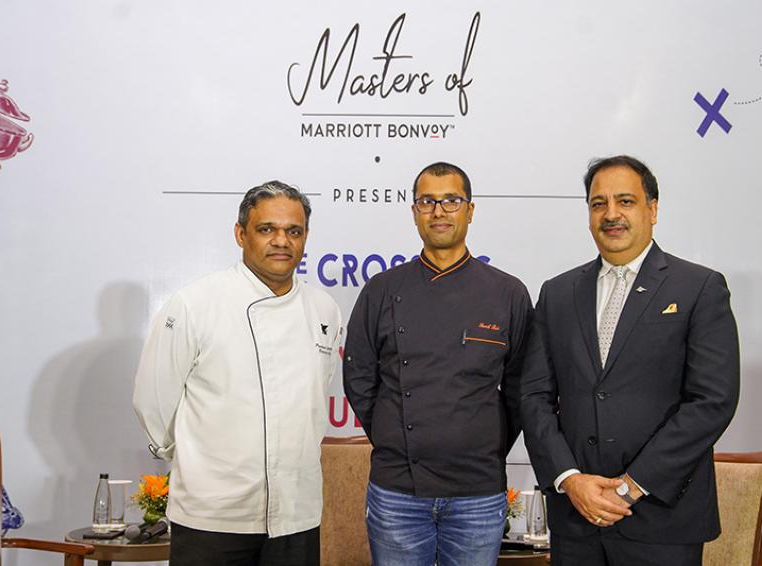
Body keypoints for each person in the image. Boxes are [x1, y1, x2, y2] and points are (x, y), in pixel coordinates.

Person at [520, 155, 740, 566]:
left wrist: (632, 485)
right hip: (577, 518)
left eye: (625, 201)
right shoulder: (557, 293)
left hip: (661, 518)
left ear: (652, 209)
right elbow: (533, 397)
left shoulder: (699, 288)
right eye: (598, 203)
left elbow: (713, 401)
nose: (611, 214)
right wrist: (570, 480)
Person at [133, 181, 341, 566]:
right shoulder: (195, 304)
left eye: (293, 231)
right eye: (267, 229)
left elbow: (313, 395)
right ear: (240, 233)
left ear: (306, 237)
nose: (281, 241)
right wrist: (199, 465)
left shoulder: (324, 309)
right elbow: (153, 400)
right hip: (211, 517)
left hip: (296, 515)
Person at [343, 161, 533, 566]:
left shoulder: (507, 292)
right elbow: (359, 377)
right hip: (397, 492)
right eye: (427, 201)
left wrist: (485, 444)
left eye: (451, 200)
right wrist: (392, 434)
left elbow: (521, 389)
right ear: (414, 212)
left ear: (470, 209)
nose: (439, 211)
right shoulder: (382, 290)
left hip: (478, 495)